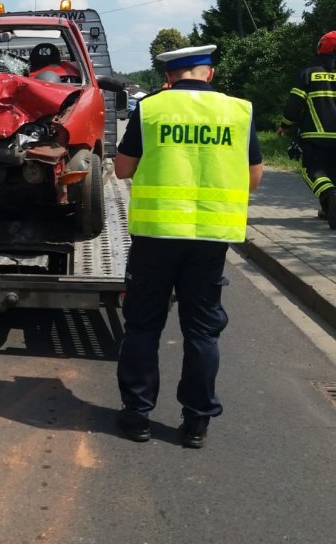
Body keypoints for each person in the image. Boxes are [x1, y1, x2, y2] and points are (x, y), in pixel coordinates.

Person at [113, 45, 263, 448]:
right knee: (202, 332)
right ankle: (196, 422)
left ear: (170, 76)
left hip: (157, 235)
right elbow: (253, 179)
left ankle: (138, 416)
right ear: (209, 74)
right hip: (211, 240)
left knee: (144, 325)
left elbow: (122, 168)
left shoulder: (152, 109)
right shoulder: (239, 111)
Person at [276, 31, 336, 230]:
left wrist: (284, 125)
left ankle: (330, 197)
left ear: (321, 48)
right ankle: (329, 209)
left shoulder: (309, 75)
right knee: (335, 173)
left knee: (311, 171)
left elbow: (294, 105)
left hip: (314, 137)